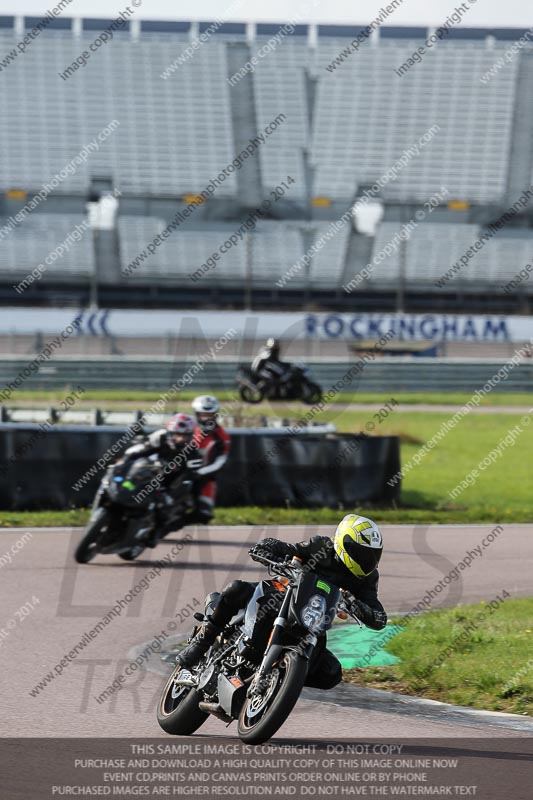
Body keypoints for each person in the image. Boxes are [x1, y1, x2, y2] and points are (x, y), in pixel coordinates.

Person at [176, 514, 387, 690]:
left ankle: (280, 680)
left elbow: (378, 615)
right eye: (361, 553)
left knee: (330, 673)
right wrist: (267, 550)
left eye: (372, 555)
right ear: (343, 542)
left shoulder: (367, 578)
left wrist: (359, 607)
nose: (367, 560)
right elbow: (287, 548)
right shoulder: (320, 547)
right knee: (236, 588)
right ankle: (200, 645)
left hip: (313, 620)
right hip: (283, 595)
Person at [121, 413, 197, 539]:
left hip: (168, 485)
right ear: (170, 432)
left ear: (190, 436)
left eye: (184, 436)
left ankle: (154, 534)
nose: (180, 439)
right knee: (127, 484)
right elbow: (142, 448)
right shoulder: (160, 436)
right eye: (177, 435)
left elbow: (188, 477)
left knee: (164, 508)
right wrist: (126, 460)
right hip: (146, 471)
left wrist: (172, 492)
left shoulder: (191, 452)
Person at [189, 395, 231, 524]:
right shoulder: (187, 428)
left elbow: (221, 461)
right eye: (203, 414)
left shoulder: (222, 436)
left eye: (210, 415)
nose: (206, 418)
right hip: (180, 471)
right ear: (197, 414)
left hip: (203, 478)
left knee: (204, 514)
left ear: (215, 415)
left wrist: (200, 473)